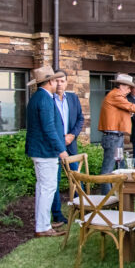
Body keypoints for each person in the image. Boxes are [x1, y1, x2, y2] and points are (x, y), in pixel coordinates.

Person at [24, 66, 68, 238]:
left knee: (44, 188)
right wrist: (61, 150)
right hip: (45, 151)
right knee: (47, 188)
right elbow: (48, 128)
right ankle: (42, 227)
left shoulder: (39, 97)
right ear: (49, 81)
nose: (58, 82)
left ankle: (44, 223)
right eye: (56, 80)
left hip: (42, 150)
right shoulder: (44, 99)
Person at [51, 71, 84, 228]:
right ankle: (57, 215)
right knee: (55, 180)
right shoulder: (48, 99)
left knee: (76, 176)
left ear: (66, 82)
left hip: (70, 143)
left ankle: (85, 207)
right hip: (55, 145)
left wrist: (72, 135)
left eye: (62, 81)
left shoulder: (73, 98)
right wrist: (59, 139)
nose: (59, 84)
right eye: (56, 81)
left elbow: (80, 119)